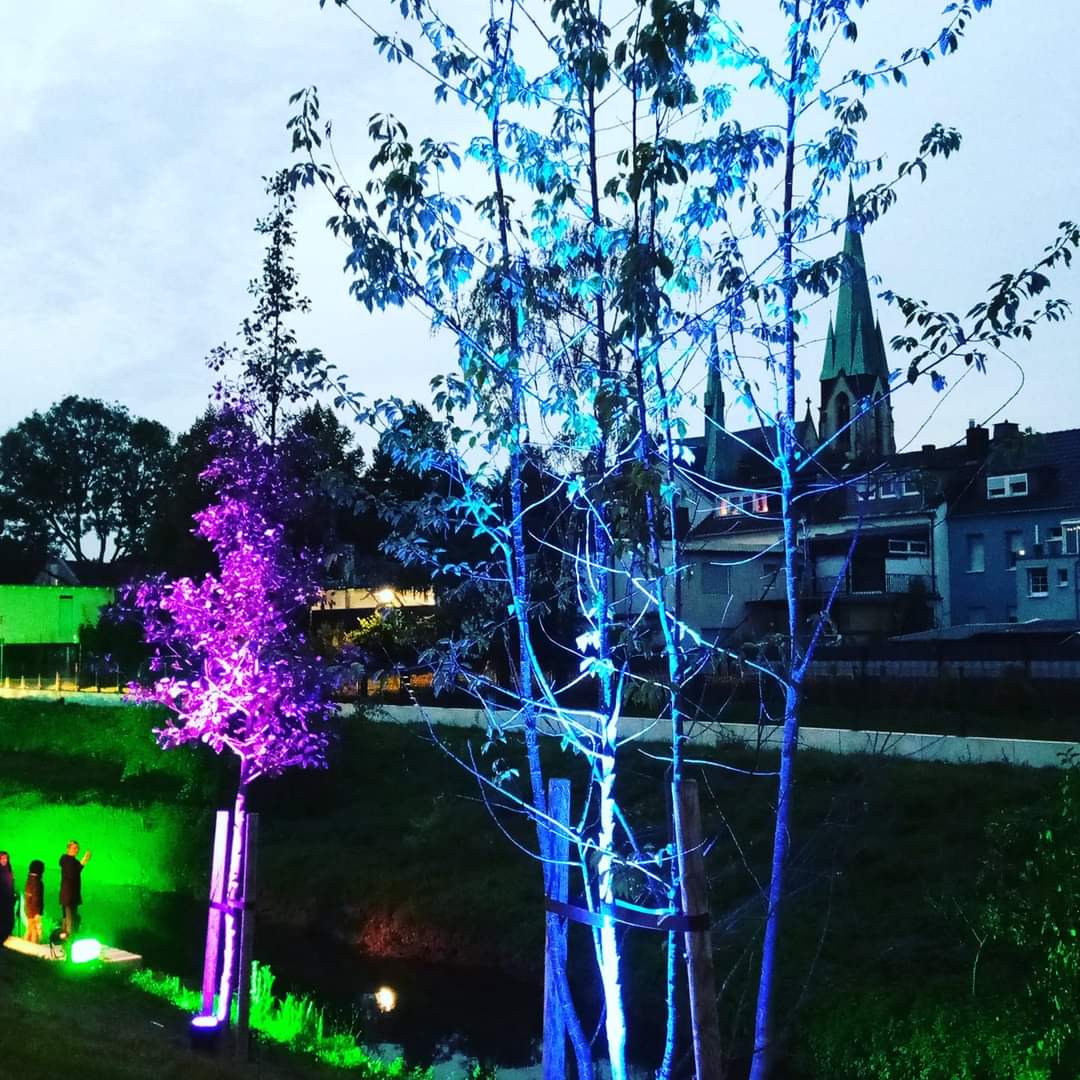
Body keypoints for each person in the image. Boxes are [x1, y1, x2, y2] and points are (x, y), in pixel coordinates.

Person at [58, 841, 91, 938]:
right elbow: (72, 874)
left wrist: (82, 862)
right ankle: (68, 942)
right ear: (68, 849)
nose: (77, 850)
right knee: (70, 922)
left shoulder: (70, 861)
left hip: (69, 896)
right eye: (74, 848)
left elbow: (75, 871)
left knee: (67, 921)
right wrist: (83, 861)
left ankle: (65, 941)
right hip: (69, 897)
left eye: (78, 848)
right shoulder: (68, 860)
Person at [24, 860, 44, 944]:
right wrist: (37, 913)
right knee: (34, 930)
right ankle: (32, 946)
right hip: (34, 910)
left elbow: (29, 895)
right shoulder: (38, 882)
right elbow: (36, 898)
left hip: (28, 908)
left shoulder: (29, 879)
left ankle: (24, 945)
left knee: (29, 929)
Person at [0, 851, 15, 940]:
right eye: (2, 858)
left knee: (9, 919)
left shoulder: (9, 869)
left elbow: (11, 884)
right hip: (2, 900)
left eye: (6, 858)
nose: (4, 860)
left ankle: (7, 935)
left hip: (9, 899)